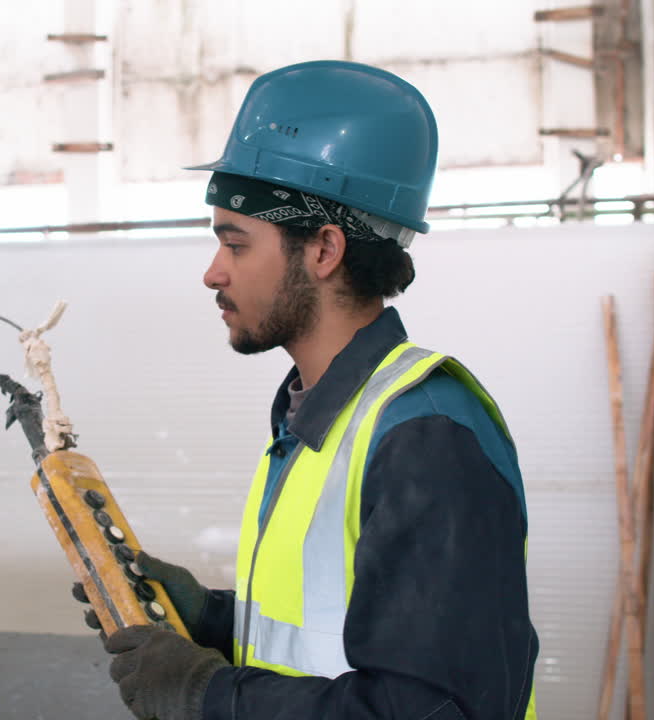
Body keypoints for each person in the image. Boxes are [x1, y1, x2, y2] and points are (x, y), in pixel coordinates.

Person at [78, 60, 539, 720]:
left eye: (235, 244)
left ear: (323, 250)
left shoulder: (427, 439)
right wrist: (209, 620)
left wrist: (206, 692)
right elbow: (336, 641)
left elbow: (424, 709)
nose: (213, 273)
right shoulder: (316, 420)